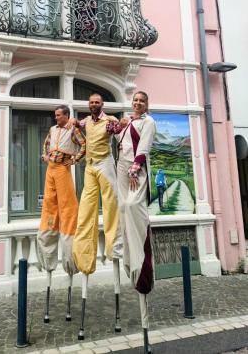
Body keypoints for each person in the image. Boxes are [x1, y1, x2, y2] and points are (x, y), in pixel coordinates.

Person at [110, 91, 157, 337]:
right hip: (120, 166)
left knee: (132, 206)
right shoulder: (129, 121)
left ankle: (141, 258)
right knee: (121, 206)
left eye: (142, 101)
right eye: (135, 100)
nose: (138, 103)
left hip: (134, 169)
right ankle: (124, 243)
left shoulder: (149, 122)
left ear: (147, 104)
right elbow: (117, 136)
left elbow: (144, 147)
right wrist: (113, 125)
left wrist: (136, 168)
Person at [68, 93, 122, 275]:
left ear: (102, 104)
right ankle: (84, 257)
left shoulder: (109, 120)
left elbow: (118, 130)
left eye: (96, 102)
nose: (93, 104)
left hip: (105, 164)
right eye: (91, 102)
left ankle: (114, 248)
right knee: (86, 207)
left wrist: (123, 124)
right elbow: (79, 124)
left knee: (110, 204)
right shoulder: (87, 121)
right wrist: (74, 121)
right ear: (88, 104)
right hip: (90, 166)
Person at [37, 105, 86, 277]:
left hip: (62, 169)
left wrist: (74, 160)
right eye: (55, 115)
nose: (56, 117)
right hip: (51, 168)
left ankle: (70, 256)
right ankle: (48, 255)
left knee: (67, 206)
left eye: (58, 115)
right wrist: (45, 155)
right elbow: (46, 143)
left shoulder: (73, 129)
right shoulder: (52, 129)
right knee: (50, 205)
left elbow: (84, 145)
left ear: (66, 115)